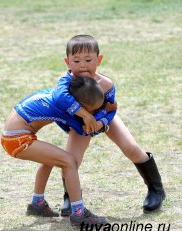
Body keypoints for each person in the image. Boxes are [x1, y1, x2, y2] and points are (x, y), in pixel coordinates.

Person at [57, 34, 165, 216]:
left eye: (88, 59)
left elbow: (110, 108)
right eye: (76, 60)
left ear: (98, 60)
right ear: (67, 62)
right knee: (71, 160)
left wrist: (100, 121)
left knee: (130, 147)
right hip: (80, 125)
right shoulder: (65, 83)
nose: (82, 65)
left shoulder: (106, 84)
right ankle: (70, 196)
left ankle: (156, 189)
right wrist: (85, 118)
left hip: (104, 119)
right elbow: (60, 100)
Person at [0, 75, 112, 227]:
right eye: (93, 110)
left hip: (11, 136)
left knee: (51, 160)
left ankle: (37, 204)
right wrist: (106, 115)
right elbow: (87, 130)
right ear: (80, 106)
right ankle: (79, 213)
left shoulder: (63, 94)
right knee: (69, 161)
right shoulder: (66, 109)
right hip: (17, 138)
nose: (93, 113)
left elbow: (65, 78)